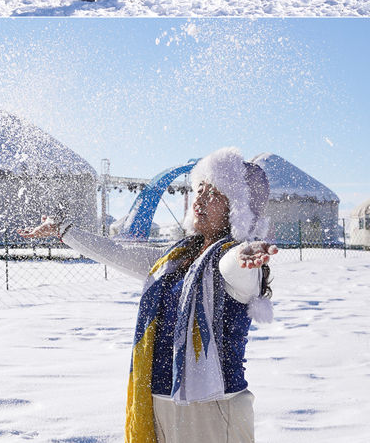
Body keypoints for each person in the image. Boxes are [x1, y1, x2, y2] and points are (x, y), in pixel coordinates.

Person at [19, 147, 277, 443]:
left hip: (215, 408)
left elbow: (231, 265)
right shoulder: (176, 261)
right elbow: (117, 253)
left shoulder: (238, 264)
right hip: (163, 400)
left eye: (215, 193)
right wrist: (63, 231)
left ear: (237, 210)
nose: (201, 199)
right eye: (200, 188)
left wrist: (243, 251)